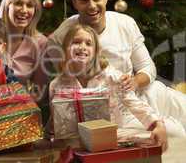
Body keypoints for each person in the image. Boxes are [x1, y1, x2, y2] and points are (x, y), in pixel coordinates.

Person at [48, 0, 186, 137]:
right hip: (112, 112)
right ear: (74, 2)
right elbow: (64, 85)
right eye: (84, 0)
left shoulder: (124, 23)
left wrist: (134, 83)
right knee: (175, 134)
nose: (92, 5)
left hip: (137, 93)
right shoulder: (62, 34)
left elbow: (147, 67)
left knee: (181, 109)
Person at [49, 23, 167, 151]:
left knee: (142, 142)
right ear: (65, 48)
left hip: (110, 138)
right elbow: (55, 119)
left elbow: (135, 104)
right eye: (76, 42)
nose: (82, 47)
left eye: (88, 44)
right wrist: (49, 138)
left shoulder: (112, 77)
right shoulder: (56, 85)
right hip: (74, 143)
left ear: (96, 52)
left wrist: (158, 125)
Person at [0, 0, 48, 100]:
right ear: (7, 5)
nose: (24, 10)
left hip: (20, 111)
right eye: (18, 3)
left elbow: (39, 91)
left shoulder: (40, 43)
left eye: (30, 5)